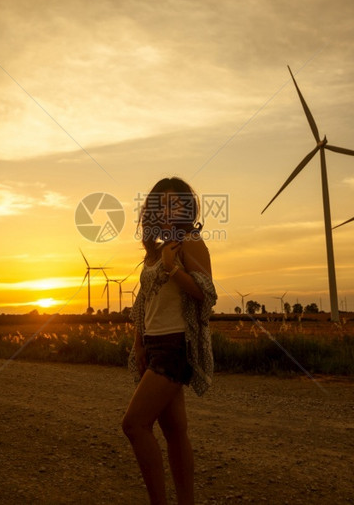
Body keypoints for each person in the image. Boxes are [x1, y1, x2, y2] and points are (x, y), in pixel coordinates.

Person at [122, 177, 217, 504]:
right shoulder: (159, 248)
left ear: (185, 208)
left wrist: (172, 269)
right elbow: (143, 302)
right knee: (175, 433)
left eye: (173, 203)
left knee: (134, 425)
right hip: (153, 344)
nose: (165, 210)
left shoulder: (189, 242)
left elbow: (206, 295)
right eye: (159, 204)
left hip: (177, 345)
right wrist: (139, 343)